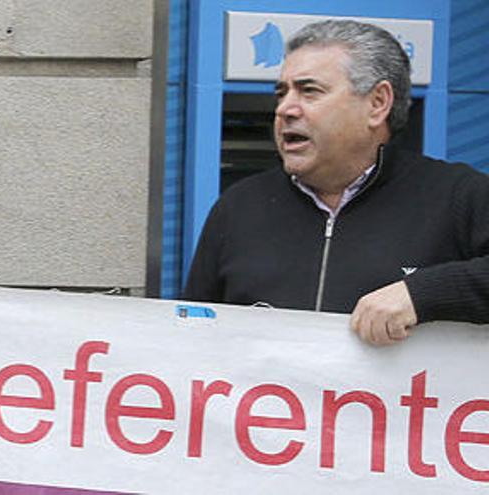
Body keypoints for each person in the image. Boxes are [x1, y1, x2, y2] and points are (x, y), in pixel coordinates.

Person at [184, 20, 489, 346]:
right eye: (282, 92)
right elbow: (189, 335)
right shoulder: (239, 207)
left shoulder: (458, 196)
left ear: (377, 103)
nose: (285, 108)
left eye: (309, 91)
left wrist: (421, 294)